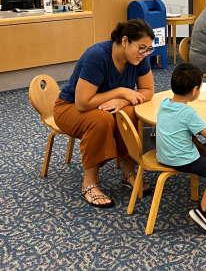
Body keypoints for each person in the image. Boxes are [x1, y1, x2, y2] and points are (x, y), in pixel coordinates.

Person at [53, 19, 156, 208]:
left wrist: (124, 100)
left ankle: (129, 174)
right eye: (141, 47)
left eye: (149, 49)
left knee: (130, 113)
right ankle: (89, 184)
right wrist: (120, 92)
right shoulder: (97, 56)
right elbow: (83, 103)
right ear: (125, 41)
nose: (145, 53)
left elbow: (148, 90)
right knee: (101, 120)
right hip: (69, 107)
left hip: (105, 106)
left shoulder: (139, 57)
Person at [156, 63, 206, 234]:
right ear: (194, 90)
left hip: (163, 154)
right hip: (181, 159)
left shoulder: (164, 103)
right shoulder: (188, 113)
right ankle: (202, 211)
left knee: (199, 141)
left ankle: (205, 152)